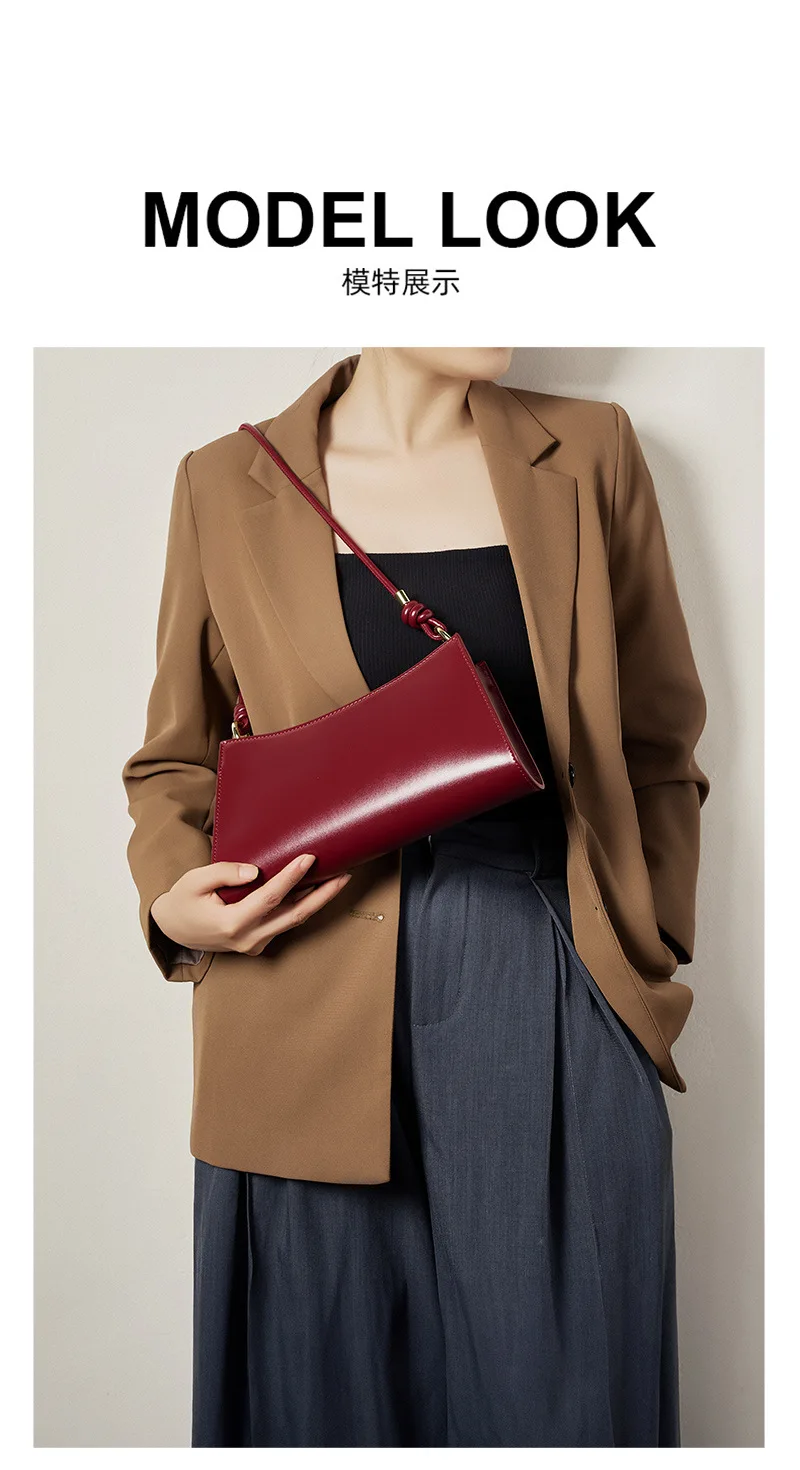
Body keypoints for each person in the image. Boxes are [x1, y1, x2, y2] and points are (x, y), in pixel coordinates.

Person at [121, 348, 709, 1447]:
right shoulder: (223, 481)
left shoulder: (589, 452)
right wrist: (172, 904)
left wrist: (644, 940)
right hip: (296, 999)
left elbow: (656, 739)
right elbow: (173, 760)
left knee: (565, 1396)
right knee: (320, 1396)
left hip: (546, 973)